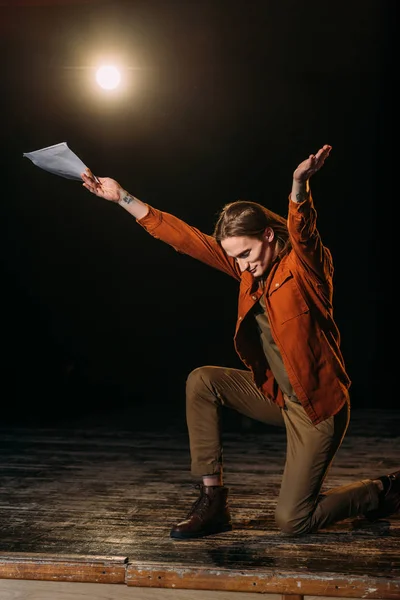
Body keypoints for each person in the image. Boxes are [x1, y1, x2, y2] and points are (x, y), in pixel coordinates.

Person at [81, 144, 399, 539]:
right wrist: (122, 197)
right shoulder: (250, 271)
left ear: (268, 234)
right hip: (277, 396)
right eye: (236, 258)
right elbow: (186, 239)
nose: (243, 265)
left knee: (293, 521)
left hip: (317, 411)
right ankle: (213, 502)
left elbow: (305, 233)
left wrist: (299, 187)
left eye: (247, 253)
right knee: (203, 380)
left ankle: (382, 490)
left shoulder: (306, 270)